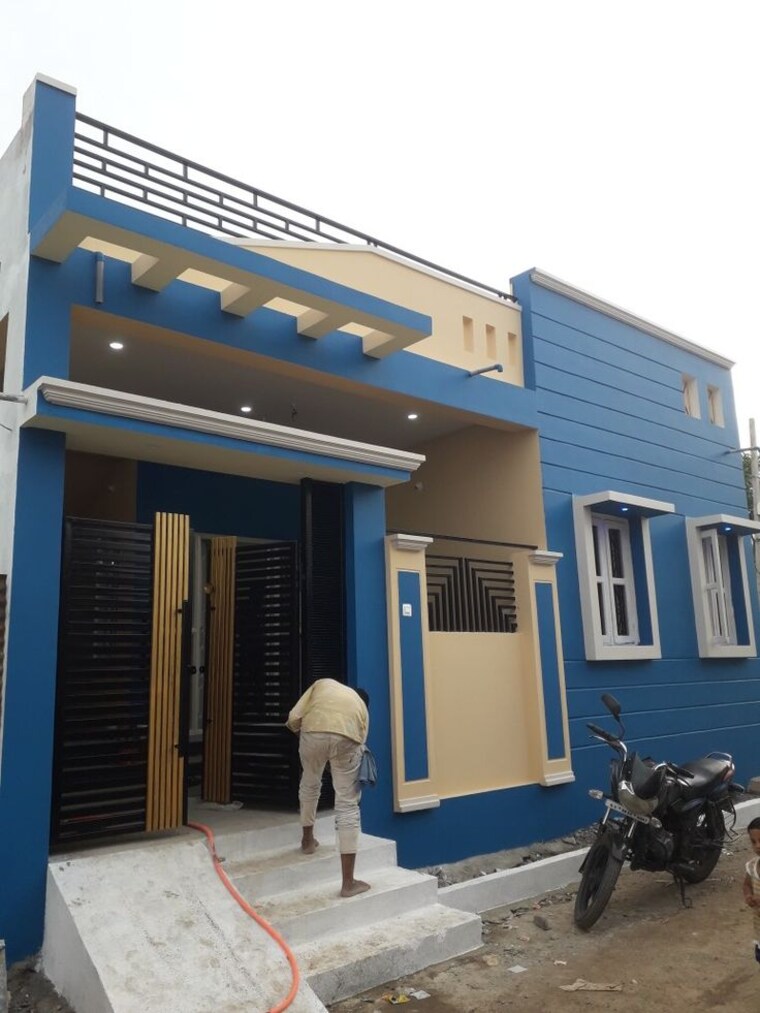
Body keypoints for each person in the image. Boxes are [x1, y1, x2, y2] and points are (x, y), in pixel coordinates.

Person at [286, 678, 371, 897]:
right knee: (348, 804)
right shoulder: (360, 708)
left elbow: (294, 717)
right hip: (348, 736)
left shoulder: (322, 684)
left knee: (309, 783)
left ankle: (307, 841)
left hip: (313, 730)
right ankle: (348, 883)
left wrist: (309, 742)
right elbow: (360, 744)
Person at [742, 816, 760, 964]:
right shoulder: (752, 866)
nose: (757, 846)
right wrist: (748, 896)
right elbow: (747, 884)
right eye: (753, 842)